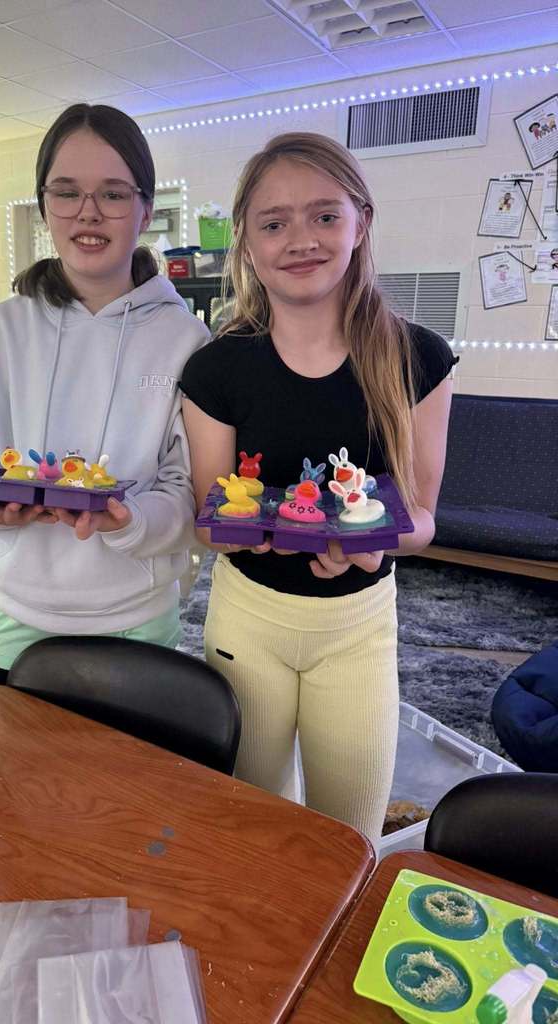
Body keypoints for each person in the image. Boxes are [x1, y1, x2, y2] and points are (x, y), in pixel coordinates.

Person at [180, 132, 456, 849]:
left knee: (349, 836)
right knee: (253, 826)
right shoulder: (216, 370)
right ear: (246, 241)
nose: (300, 239)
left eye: (325, 215)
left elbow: (422, 517)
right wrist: (265, 531)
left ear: (361, 223)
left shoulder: (417, 358)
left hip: (359, 627)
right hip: (249, 620)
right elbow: (209, 520)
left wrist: (374, 544)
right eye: (274, 223)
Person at [0, 104, 209, 684]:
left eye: (113, 193)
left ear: (145, 209)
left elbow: (189, 490)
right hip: (21, 617)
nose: (88, 212)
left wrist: (127, 520)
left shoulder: (185, 339)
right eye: (66, 192)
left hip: (140, 619)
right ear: (44, 205)